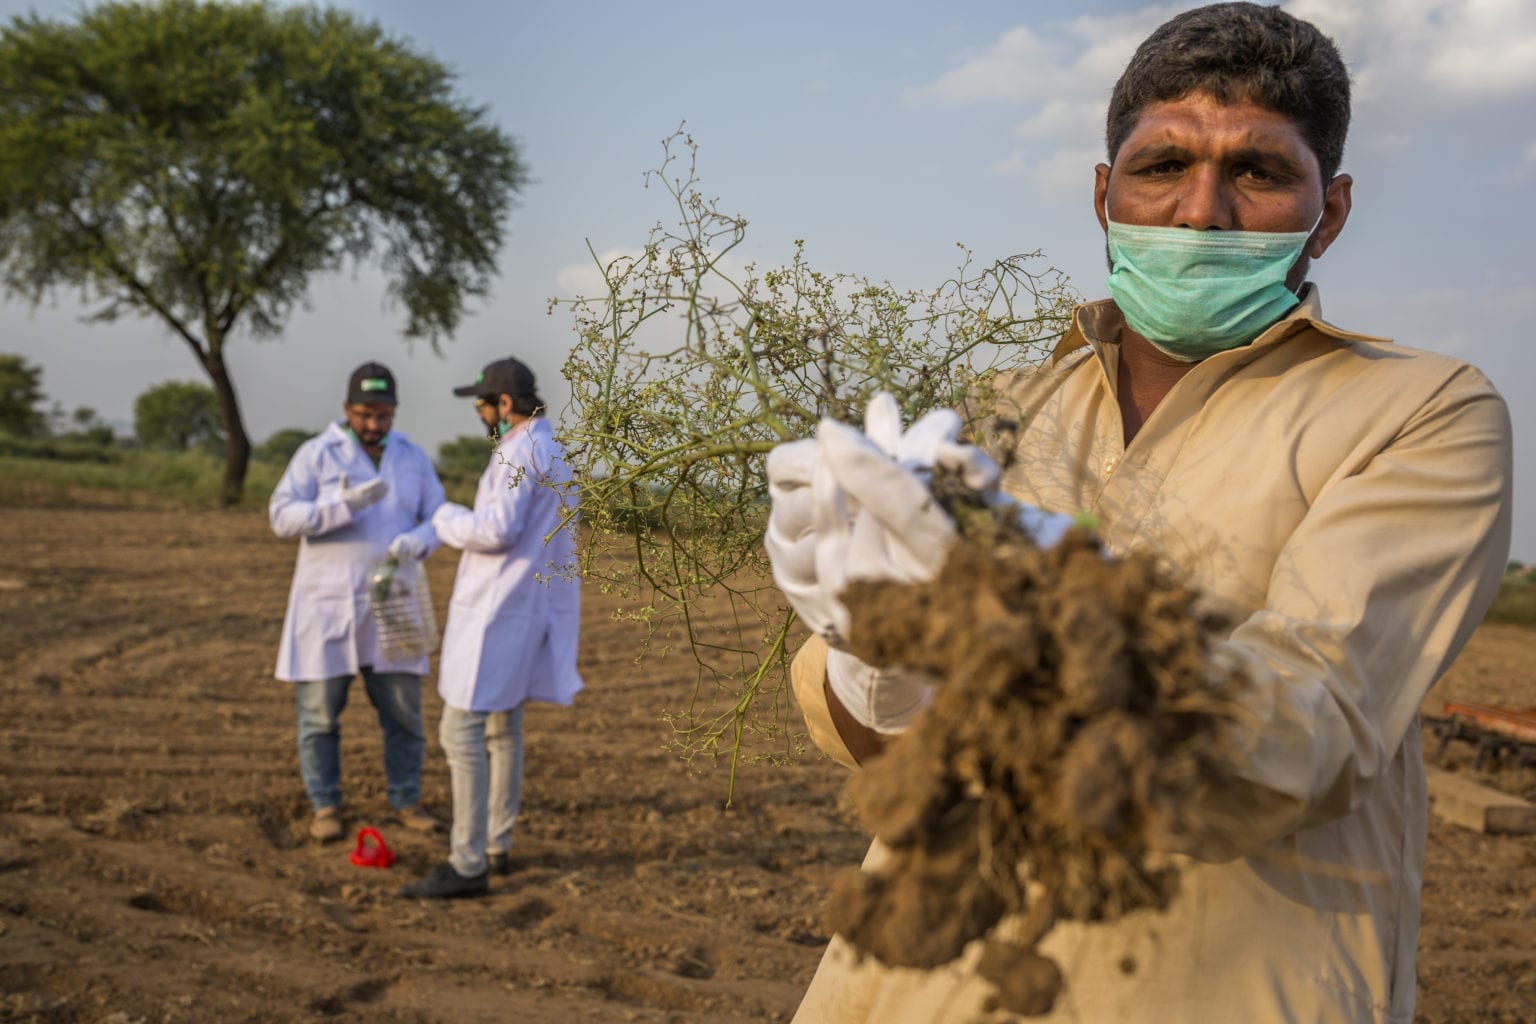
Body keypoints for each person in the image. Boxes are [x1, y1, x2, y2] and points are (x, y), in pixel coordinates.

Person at [765, 4, 1513, 1022]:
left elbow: (1308, 720)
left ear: (1327, 211)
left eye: (1257, 170)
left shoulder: (1421, 409)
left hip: (1213, 982)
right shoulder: (995, 412)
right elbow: (883, 750)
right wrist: (870, 655)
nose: (1202, 209)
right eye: (1164, 165)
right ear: (1105, 193)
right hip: (921, 982)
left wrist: (1042, 606)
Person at [400, 356, 583, 899]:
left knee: (461, 731)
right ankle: (496, 846)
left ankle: (467, 862)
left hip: (499, 611)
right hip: (527, 607)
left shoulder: (517, 452)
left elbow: (497, 530)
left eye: (482, 403)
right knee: (503, 730)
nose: (479, 413)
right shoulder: (552, 449)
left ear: (504, 404)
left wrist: (446, 519)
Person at [270, 362, 447, 842]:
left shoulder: (411, 457)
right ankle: (325, 805)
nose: (374, 425)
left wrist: (418, 540)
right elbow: (282, 517)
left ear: (394, 413)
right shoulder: (316, 455)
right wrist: (342, 506)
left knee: (405, 717)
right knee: (319, 718)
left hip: (394, 603)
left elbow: (439, 514)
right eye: (366, 414)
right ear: (347, 410)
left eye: (384, 415)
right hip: (326, 605)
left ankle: (406, 800)